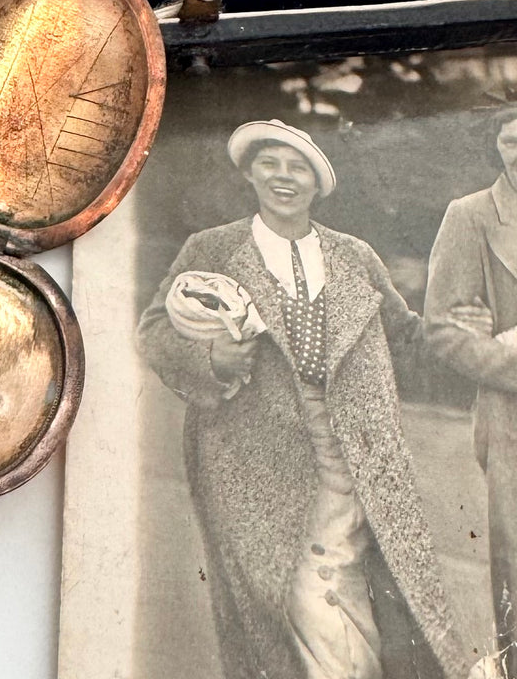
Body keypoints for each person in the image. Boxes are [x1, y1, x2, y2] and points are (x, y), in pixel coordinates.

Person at [137, 119, 470, 679]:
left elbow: (407, 334)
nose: (284, 178)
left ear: (318, 185)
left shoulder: (354, 256)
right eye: (271, 163)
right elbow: (154, 332)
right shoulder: (213, 248)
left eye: (300, 169)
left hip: (355, 444)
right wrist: (212, 361)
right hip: (249, 454)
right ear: (249, 172)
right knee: (284, 593)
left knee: (340, 574)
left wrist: (468, 339)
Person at [425, 107, 517, 679]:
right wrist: (510, 356)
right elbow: (445, 331)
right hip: (511, 419)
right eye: (511, 139)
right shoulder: (472, 217)